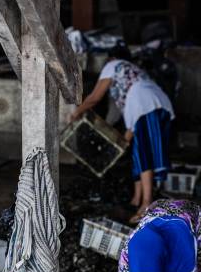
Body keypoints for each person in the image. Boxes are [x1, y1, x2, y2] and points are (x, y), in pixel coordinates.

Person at [69, 43, 175, 222]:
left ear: (111, 58)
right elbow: (129, 125)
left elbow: (95, 97)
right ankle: (136, 200)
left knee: (144, 155)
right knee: (137, 152)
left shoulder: (113, 66)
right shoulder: (133, 72)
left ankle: (146, 204)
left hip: (146, 106)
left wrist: (76, 113)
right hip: (160, 105)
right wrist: (122, 143)